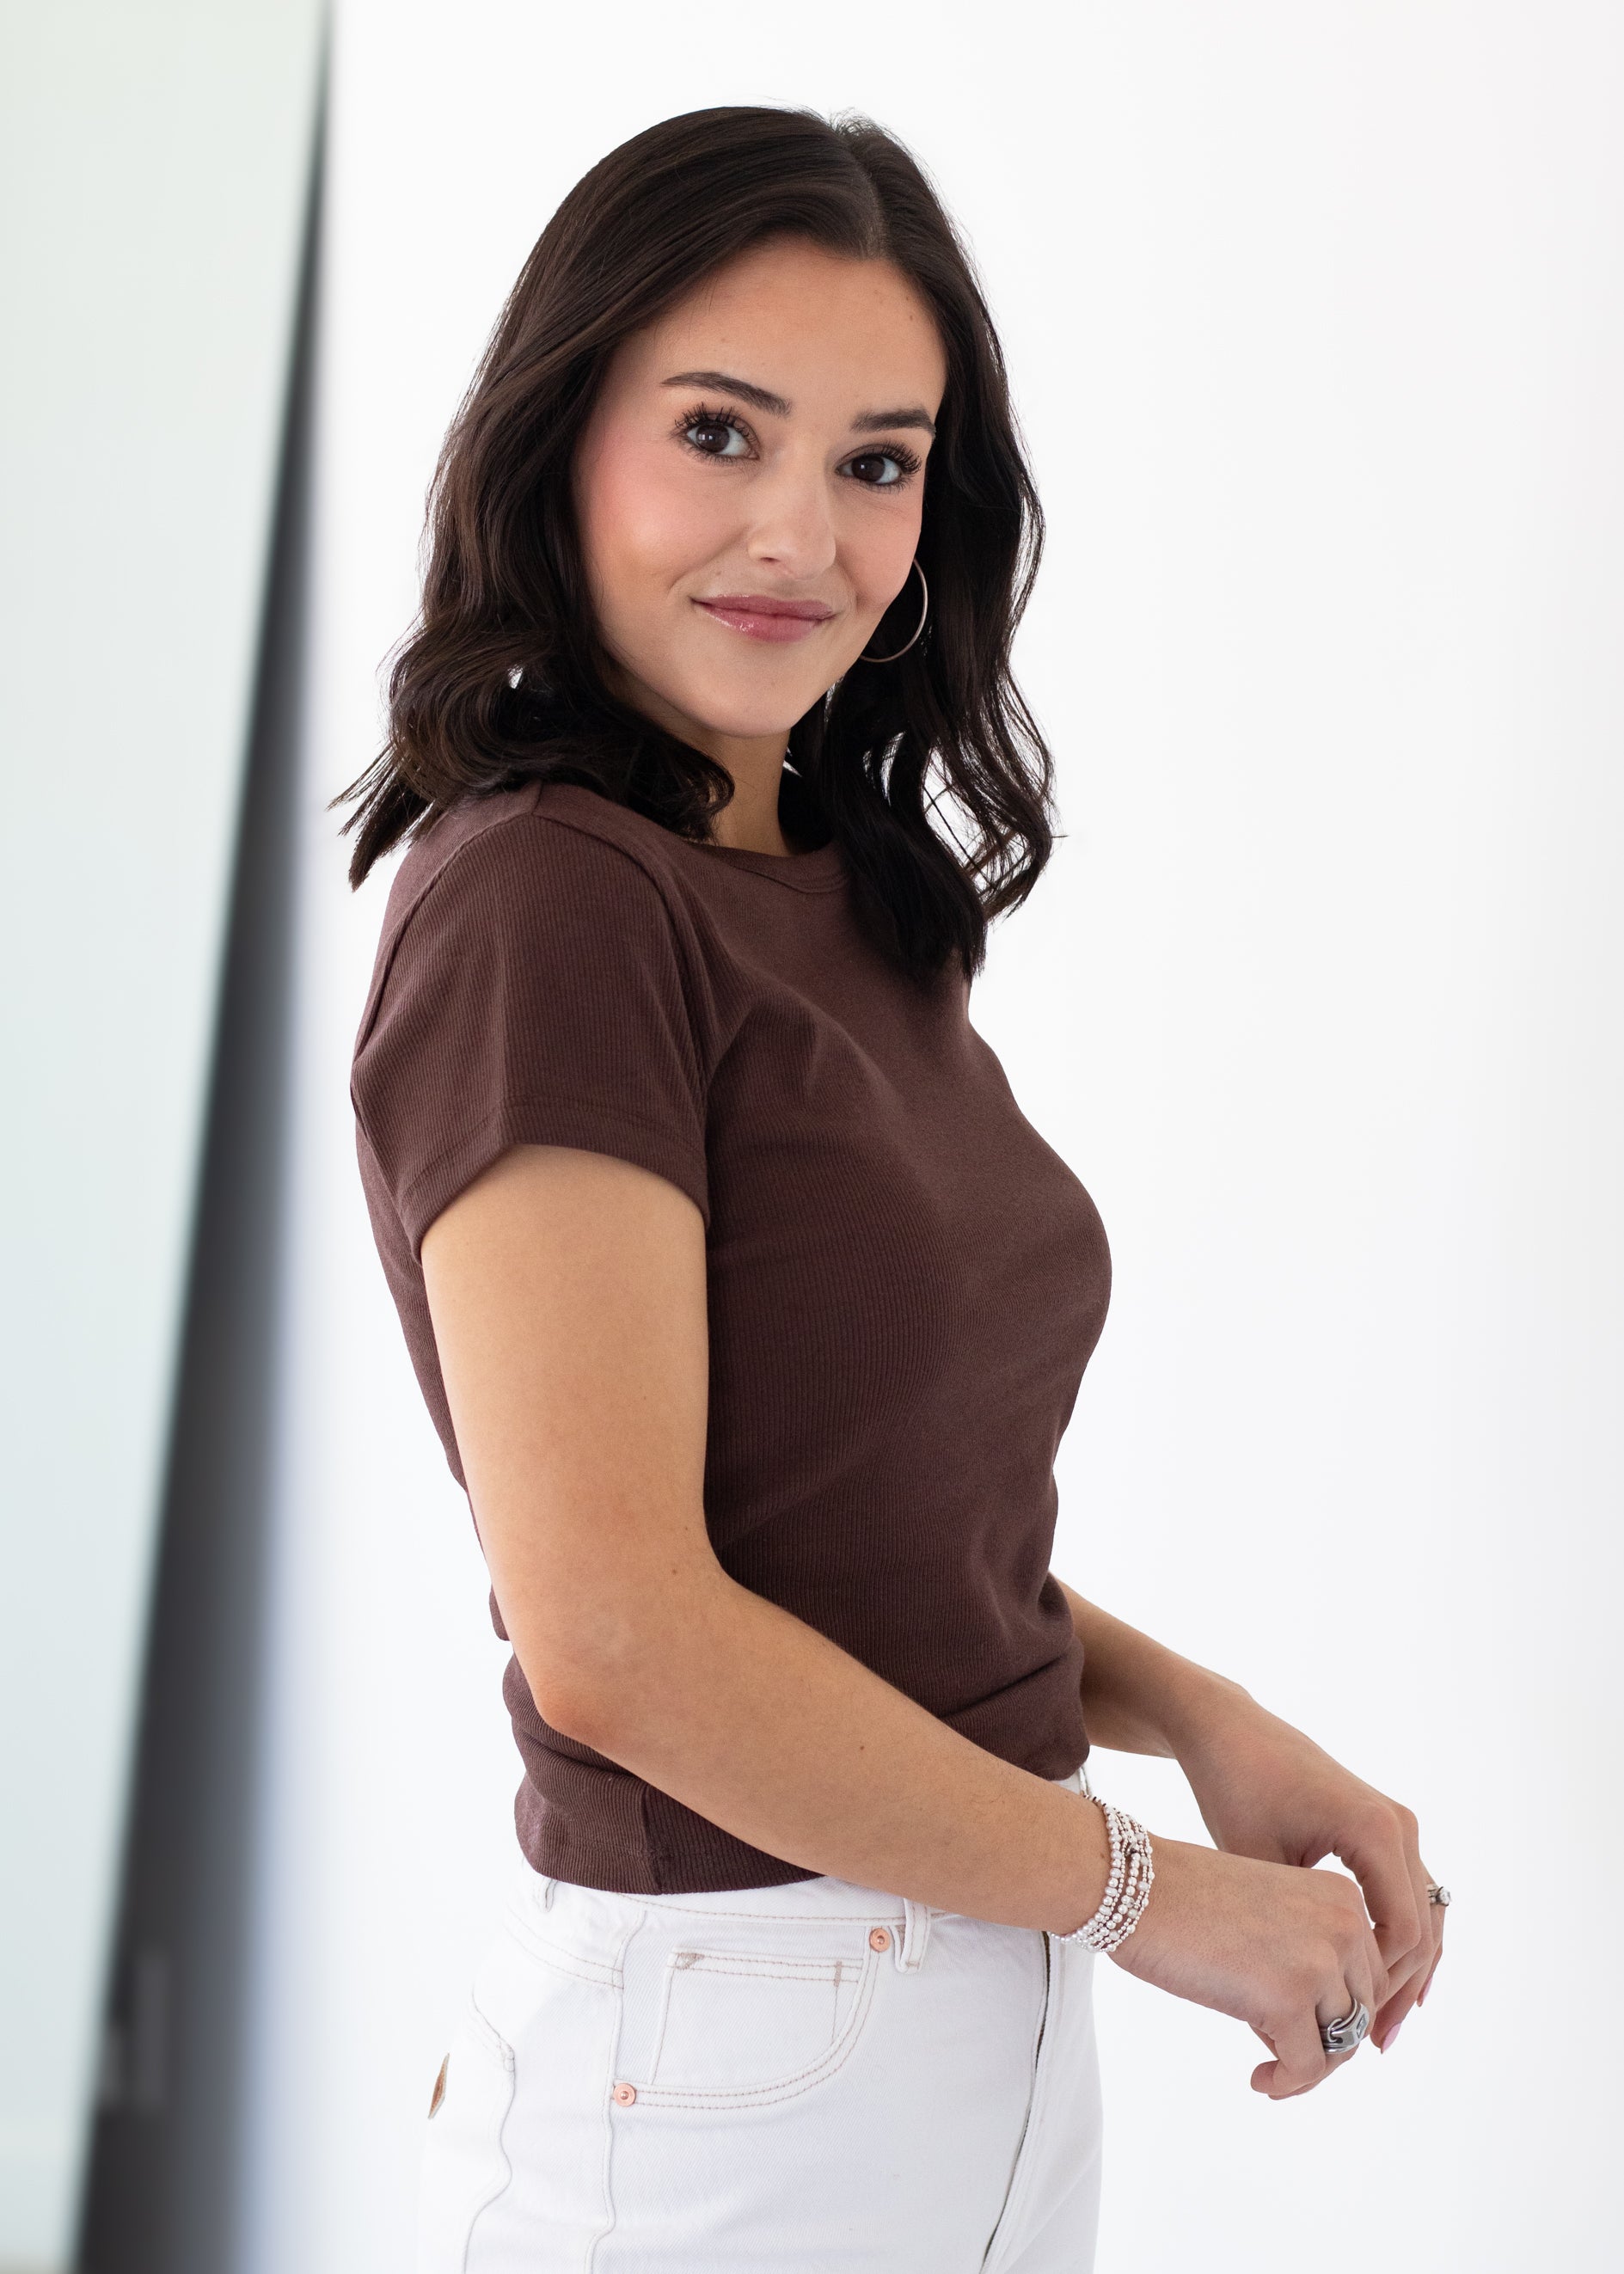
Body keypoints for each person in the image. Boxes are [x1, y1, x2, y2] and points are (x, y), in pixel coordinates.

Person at [342, 104, 1446, 2274]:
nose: (798, 533)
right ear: (559, 442)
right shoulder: (545, 908)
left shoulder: (830, 888)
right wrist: (1149, 1889)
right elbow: (624, 1643)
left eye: (876, 459)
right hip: (740, 2038)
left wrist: (1201, 1722)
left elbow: (856, 1527)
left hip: (959, 1996)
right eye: (720, 432)